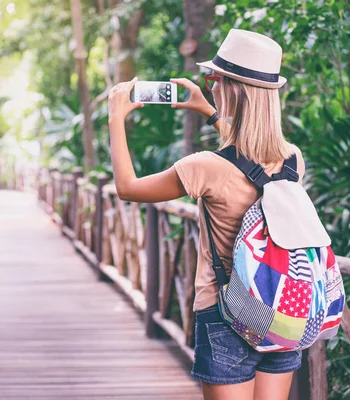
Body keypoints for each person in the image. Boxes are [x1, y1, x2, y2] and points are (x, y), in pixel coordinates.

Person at [107, 29, 305, 400]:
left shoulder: (205, 167)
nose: (209, 84)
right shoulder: (292, 160)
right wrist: (210, 112)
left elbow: (128, 188)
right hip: (280, 310)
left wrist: (116, 119)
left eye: (214, 78)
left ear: (231, 89)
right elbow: (250, 161)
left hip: (225, 312)